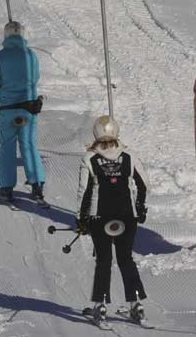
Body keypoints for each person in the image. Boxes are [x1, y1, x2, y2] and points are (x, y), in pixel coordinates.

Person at [76, 115, 148, 326]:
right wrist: (140, 209)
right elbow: (143, 184)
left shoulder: (89, 159)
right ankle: (137, 305)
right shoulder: (128, 156)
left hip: (101, 216)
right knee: (126, 258)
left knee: (104, 260)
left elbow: (84, 190)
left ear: (96, 134)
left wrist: (81, 219)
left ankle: (101, 306)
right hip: (127, 216)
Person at [0, 21, 45, 204]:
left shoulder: (0, 57)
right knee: (28, 145)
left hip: (8, 110)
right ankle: (37, 185)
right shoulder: (31, 56)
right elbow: (35, 78)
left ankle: (7, 187)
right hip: (28, 108)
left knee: (7, 148)